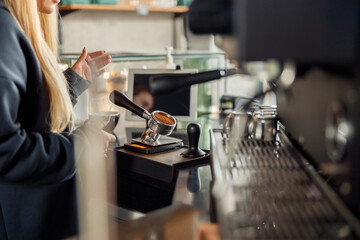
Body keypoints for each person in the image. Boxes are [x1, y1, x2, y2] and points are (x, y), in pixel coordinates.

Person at [0, 0, 115, 239]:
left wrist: (70, 85)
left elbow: (24, 117)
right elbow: (7, 152)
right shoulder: (3, 29)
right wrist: (82, 142)